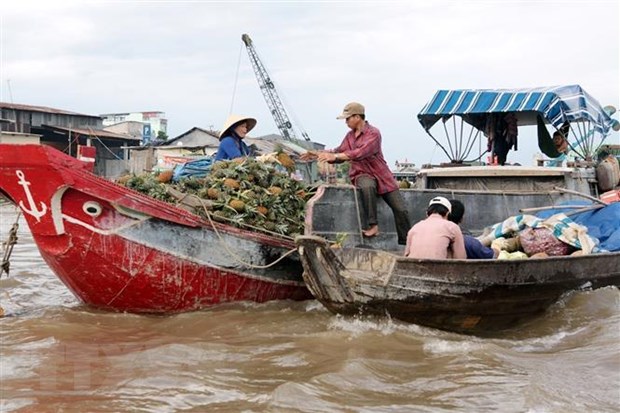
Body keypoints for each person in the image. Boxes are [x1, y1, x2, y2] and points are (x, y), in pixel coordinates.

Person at [300, 102, 410, 244]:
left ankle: (406, 243)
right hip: (361, 173)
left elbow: (361, 152)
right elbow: (338, 151)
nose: (346, 122)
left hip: (382, 175)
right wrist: (316, 154)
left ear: (357, 117)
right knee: (367, 186)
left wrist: (337, 156)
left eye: (348, 118)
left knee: (401, 209)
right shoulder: (349, 136)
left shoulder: (373, 133)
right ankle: (373, 225)